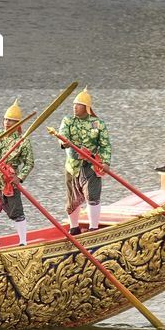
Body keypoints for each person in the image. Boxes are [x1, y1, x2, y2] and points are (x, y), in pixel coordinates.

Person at [58, 88, 111, 234]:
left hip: (91, 164)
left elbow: (105, 144)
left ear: (86, 108)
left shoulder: (98, 123)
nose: (75, 107)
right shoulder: (68, 121)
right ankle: (74, 228)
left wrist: (105, 162)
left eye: (79, 104)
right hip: (72, 165)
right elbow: (62, 135)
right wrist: (65, 142)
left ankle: (94, 227)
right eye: (74, 104)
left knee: (93, 195)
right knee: (72, 198)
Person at [0, 100, 33, 245]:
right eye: (5, 119)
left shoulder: (23, 141)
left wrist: (19, 177)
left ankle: (23, 241)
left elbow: (29, 163)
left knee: (16, 212)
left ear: (17, 123)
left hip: (9, 181)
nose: (7, 122)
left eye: (10, 120)